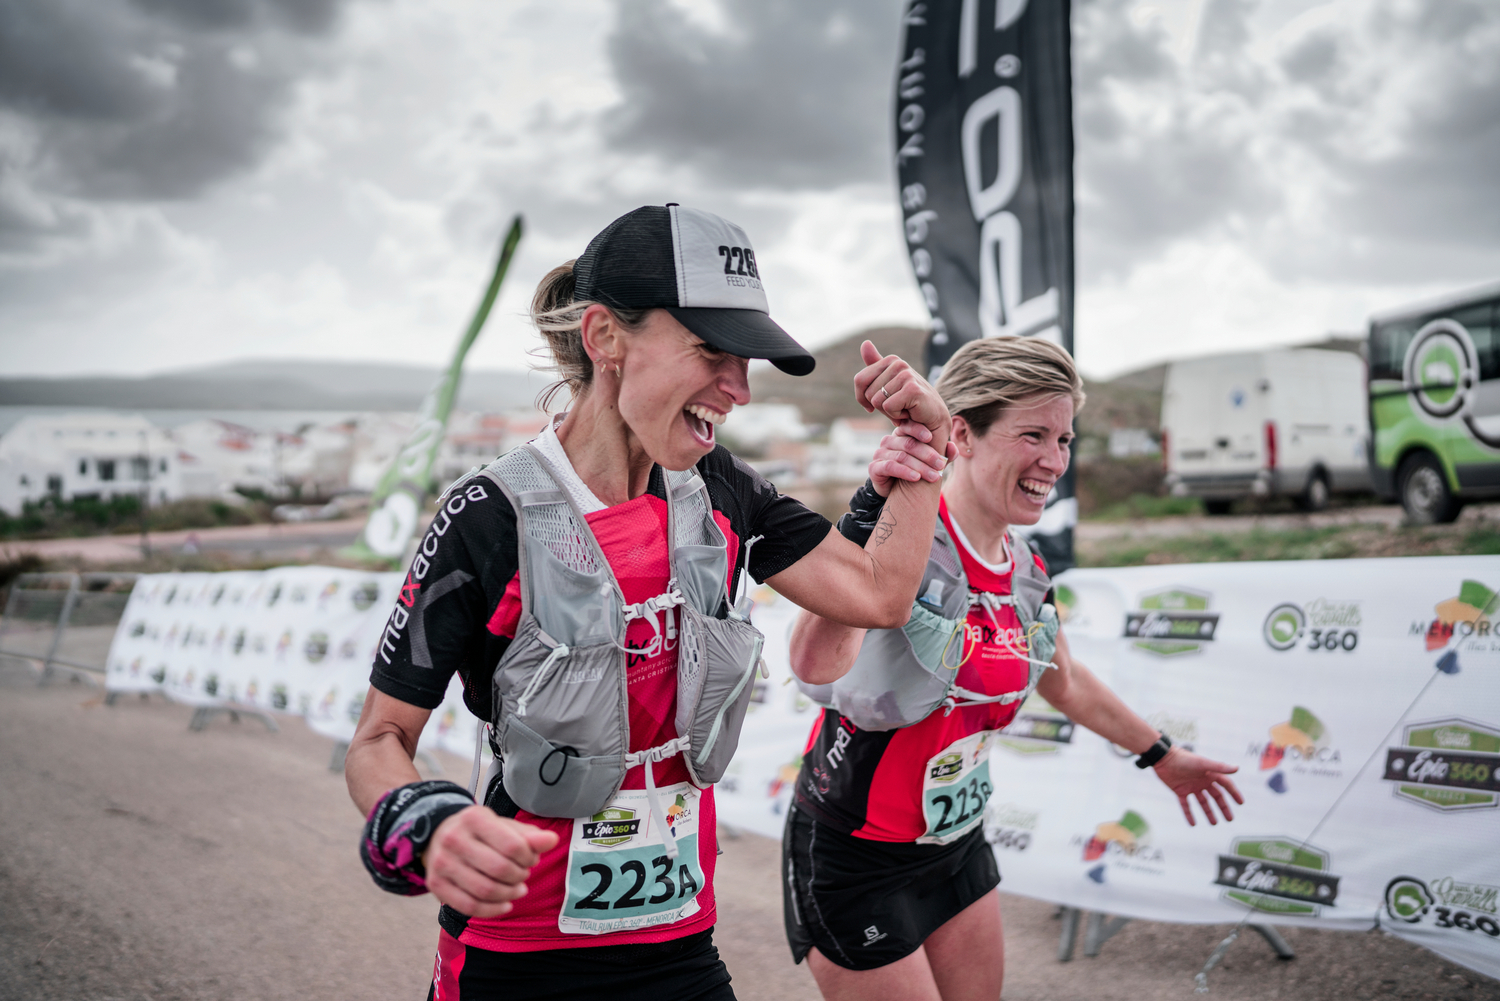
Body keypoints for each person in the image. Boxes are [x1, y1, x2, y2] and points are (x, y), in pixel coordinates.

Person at [344, 204, 955, 1001]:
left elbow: (876, 593)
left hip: (679, 944)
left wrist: (927, 455)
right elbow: (380, 737)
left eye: (747, 360)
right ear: (604, 337)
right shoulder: (492, 513)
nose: (737, 388)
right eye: (712, 351)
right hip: (518, 951)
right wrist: (428, 821)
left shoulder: (723, 489)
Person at [782, 336, 1245, 1001]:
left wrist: (1161, 753)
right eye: (1034, 434)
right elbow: (810, 667)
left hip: (956, 844)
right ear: (962, 434)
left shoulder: (1025, 569)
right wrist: (869, 519)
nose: (1054, 461)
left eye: (1064, 439)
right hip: (854, 849)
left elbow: (1065, 679)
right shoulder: (903, 535)